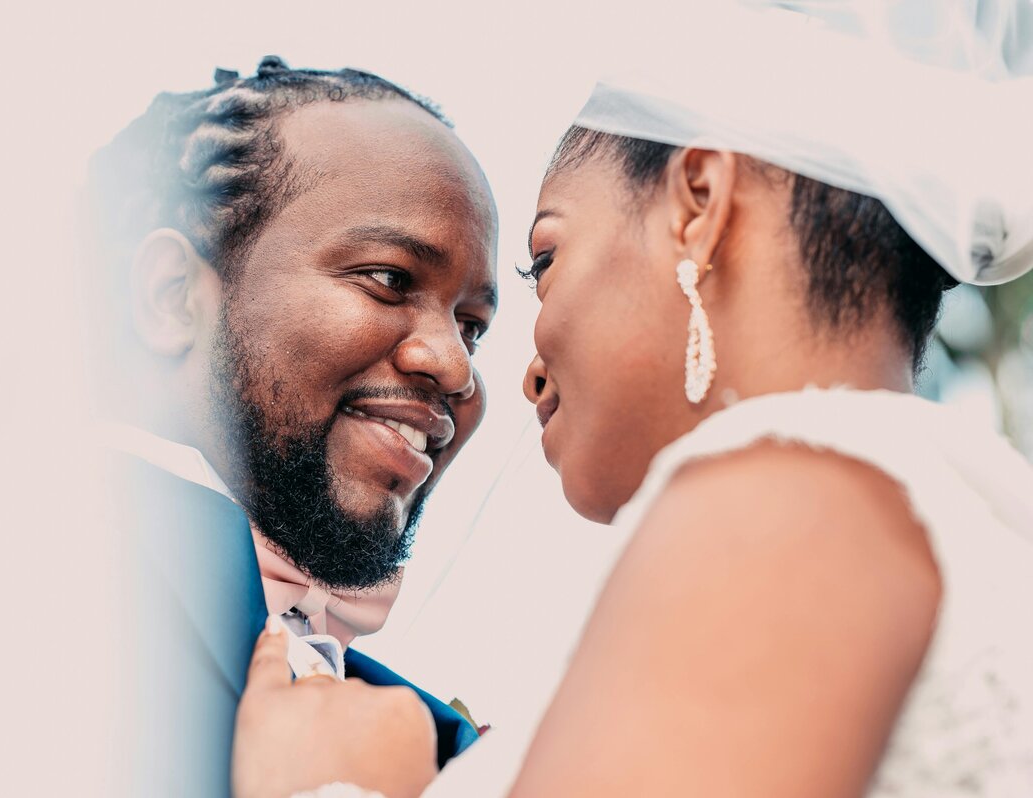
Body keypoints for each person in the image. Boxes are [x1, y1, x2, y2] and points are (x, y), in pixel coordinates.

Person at [231, 5, 1033, 797]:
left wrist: (340, 784)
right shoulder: (924, 509)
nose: (524, 372)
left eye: (544, 261)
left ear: (698, 203)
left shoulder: (786, 502)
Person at [80, 56, 498, 795]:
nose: (456, 369)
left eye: (472, 327)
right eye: (390, 278)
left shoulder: (447, 748)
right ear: (173, 296)